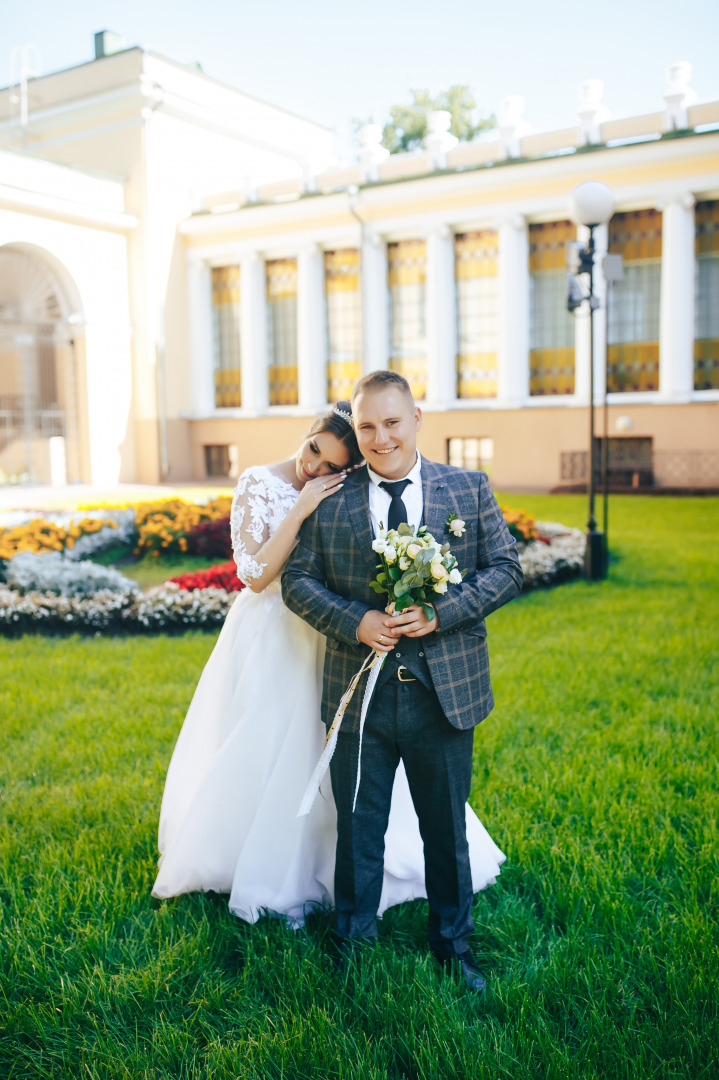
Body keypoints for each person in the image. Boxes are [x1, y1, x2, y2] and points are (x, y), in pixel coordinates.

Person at [152, 400, 507, 930]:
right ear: (310, 432)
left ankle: (352, 871)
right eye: (314, 450)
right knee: (274, 746)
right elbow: (253, 574)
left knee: (341, 756)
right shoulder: (262, 481)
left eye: (330, 467)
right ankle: (270, 869)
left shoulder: (356, 490)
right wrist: (300, 507)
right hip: (275, 633)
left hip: (339, 637)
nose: (314, 469)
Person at [283, 373, 523, 989]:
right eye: (366, 426)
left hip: (445, 693)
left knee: (444, 825)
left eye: (391, 422)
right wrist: (354, 619)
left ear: (417, 417)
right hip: (357, 693)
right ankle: (353, 945)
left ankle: (453, 945)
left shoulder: (466, 489)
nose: (379, 438)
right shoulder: (329, 497)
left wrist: (443, 612)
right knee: (358, 825)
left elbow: (507, 567)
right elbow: (297, 580)